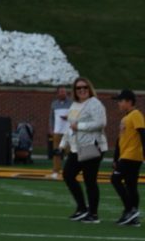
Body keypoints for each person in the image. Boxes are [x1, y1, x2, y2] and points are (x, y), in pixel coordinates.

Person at [59, 76, 108, 224]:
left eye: (85, 87)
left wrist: (80, 127)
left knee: (89, 180)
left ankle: (93, 214)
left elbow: (101, 123)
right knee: (68, 174)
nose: (82, 90)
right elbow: (70, 128)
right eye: (78, 88)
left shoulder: (94, 103)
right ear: (74, 91)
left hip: (92, 145)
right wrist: (62, 146)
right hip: (77, 147)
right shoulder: (74, 105)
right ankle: (82, 208)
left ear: (89, 88)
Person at [109, 89, 143, 227]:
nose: (118, 103)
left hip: (132, 155)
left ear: (129, 102)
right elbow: (119, 141)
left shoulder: (136, 115)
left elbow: (143, 133)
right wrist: (116, 158)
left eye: (121, 101)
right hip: (125, 155)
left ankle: (130, 209)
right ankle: (132, 218)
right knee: (131, 185)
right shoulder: (125, 118)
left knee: (115, 179)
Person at [49, 85, 70, 179]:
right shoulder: (54, 104)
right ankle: (56, 170)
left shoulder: (71, 103)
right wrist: (51, 128)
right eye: (61, 91)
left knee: (70, 152)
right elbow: (51, 117)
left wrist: (68, 117)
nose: (63, 93)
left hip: (68, 132)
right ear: (57, 93)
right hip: (57, 132)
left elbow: (76, 114)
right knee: (56, 152)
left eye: (64, 91)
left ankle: (70, 170)